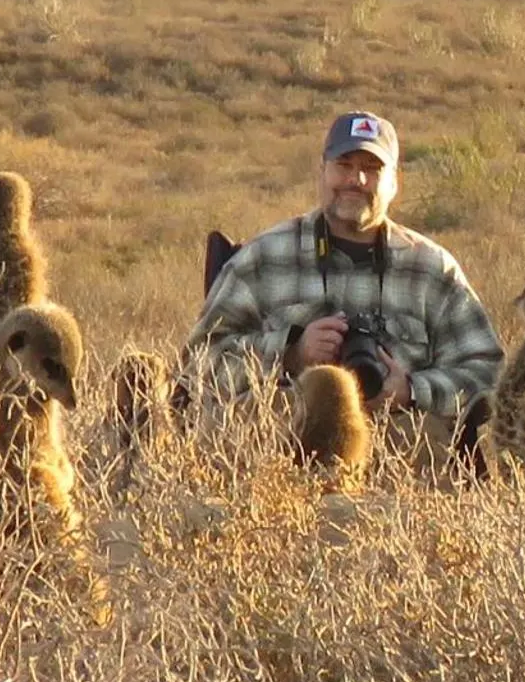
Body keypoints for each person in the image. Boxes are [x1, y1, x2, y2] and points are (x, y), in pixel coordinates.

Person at [179, 111, 504, 457]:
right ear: (322, 171)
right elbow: (197, 365)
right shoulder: (262, 259)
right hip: (280, 460)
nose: (356, 179)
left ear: (395, 182)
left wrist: (411, 390)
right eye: (344, 164)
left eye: (372, 168)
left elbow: (488, 374)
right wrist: (290, 352)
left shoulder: (432, 270)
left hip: (399, 469)